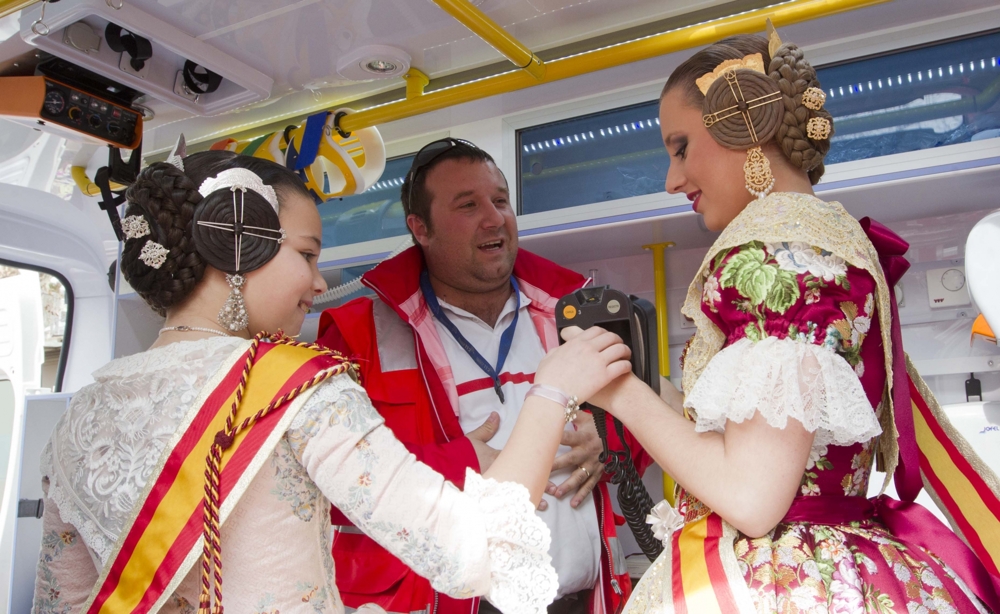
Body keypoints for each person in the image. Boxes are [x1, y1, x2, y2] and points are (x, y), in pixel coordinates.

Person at [30, 149, 634, 614]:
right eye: (308, 255)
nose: (319, 285)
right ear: (235, 249)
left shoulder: (77, 417)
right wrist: (551, 392)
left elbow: (63, 598)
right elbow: (476, 545)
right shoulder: (297, 387)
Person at [578, 26, 1000, 613]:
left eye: (680, 147)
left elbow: (752, 499)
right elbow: (771, 439)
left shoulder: (769, 259)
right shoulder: (834, 245)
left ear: (743, 125)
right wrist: (661, 397)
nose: (672, 179)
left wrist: (619, 392)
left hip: (779, 576)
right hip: (844, 558)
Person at [316, 139, 649, 614]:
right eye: (468, 205)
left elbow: (653, 423)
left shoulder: (575, 310)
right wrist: (461, 464)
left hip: (583, 600)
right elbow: (326, 489)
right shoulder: (358, 334)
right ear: (420, 228)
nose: (495, 219)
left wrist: (611, 438)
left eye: (500, 200)